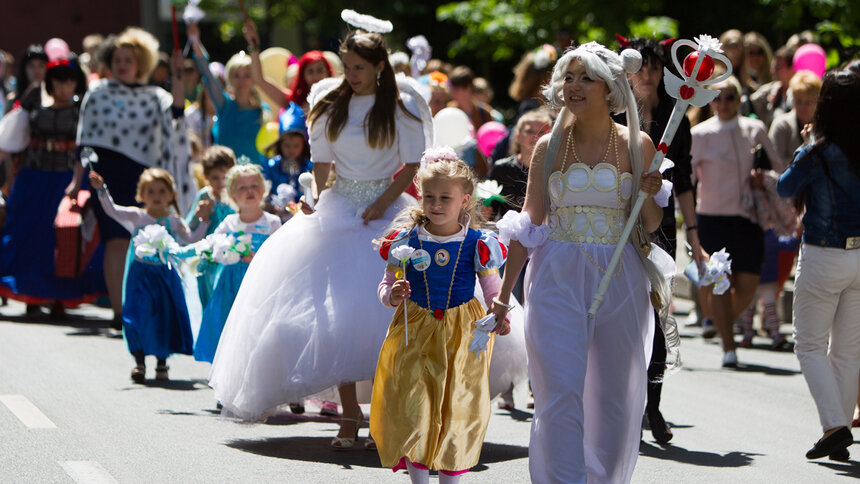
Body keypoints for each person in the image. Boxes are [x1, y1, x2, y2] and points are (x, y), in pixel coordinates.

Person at [208, 28, 432, 448]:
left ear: (379, 66)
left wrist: (382, 203)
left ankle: (392, 411)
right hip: (338, 207)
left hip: (387, 209)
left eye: (360, 68)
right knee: (336, 315)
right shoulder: (330, 104)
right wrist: (314, 198)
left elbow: (411, 165)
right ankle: (348, 414)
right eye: (347, 67)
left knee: (394, 313)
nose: (352, 75)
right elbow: (322, 164)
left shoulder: (400, 107)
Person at [491, 42, 671, 483]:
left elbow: (648, 223)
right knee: (559, 393)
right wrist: (500, 297)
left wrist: (649, 191)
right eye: (568, 78)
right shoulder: (549, 147)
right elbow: (528, 224)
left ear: (610, 88)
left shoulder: (638, 143)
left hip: (620, 277)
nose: (573, 87)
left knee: (612, 396)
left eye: (585, 78)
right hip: (556, 276)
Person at [371, 155, 509, 483]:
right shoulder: (405, 240)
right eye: (429, 196)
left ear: (464, 200)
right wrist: (392, 296)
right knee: (414, 404)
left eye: (445, 198)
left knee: (457, 406)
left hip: (461, 332)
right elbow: (385, 285)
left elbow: (493, 289)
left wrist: (499, 314)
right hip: (415, 330)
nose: (436, 204)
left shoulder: (478, 243)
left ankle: (450, 477)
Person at [77, 27, 191, 329]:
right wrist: (79, 180)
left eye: (128, 58)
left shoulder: (154, 96)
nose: (123, 63)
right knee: (115, 240)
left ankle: (145, 308)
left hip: (142, 178)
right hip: (107, 174)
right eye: (117, 58)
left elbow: (177, 112)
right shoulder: (97, 92)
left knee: (142, 241)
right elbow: (84, 140)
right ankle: (119, 312)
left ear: (140, 62)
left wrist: (178, 76)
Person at [619, 35, 700, 444]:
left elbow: (683, 178)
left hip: (659, 229)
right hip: (613, 226)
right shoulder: (613, 114)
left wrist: (696, 239)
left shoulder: (675, 115)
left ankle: (652, 405)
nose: (648, 75)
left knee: (657, 315)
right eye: (641, 68)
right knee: (620, 317)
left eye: (655, 68)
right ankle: (621, 404)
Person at [776, 68, 860, 462]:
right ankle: (838, 428)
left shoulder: (818, 150)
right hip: (859, 255)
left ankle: (835, 426)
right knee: (847, 350)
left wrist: (805, 145)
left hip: (824, 254)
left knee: (808, 344)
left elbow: (785, 187)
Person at [0, 55, 104, 315]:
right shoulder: (34, 98)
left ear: (75, 83)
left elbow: (85, 149)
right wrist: (11, 178)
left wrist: (76, 182)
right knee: (27, 235)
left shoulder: (83, 107)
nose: (63, 87)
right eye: (57, 81)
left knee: (61, 241)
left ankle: (59, 298)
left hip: (65, 180)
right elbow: (15, 137)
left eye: (68, 81)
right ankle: (30, 294)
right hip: (32, 177)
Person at [691, 76, 783, 367]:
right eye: (717, 98)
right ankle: (728, 347)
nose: (723, 103)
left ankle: (720, 323)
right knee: (720, 282)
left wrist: (763, 177)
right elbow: (688, 181)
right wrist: (687, 221)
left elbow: (777, 167)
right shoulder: (699, 134)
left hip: (748, 217)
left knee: (748, 285)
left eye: (730, 97)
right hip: (711, 218)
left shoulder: (754, 129)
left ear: (739, 99)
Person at [89, 168, 209, 382]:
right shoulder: (138, 216)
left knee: (164, 315)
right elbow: (112, 210)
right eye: (150, 191)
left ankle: (162, 361)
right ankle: (139, 362)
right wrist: (102, 190)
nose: (156, 196)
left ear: (171, 194)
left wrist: (204, 221)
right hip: (140, 276)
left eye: (162, 191)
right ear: (142, 195)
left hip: (165, 276)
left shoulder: (174, 222)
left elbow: (191, 239)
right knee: (137, 315)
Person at [194, 164, 281, 363]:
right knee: (229, 325)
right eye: (242, 187)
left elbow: (279, 253)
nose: (249, 191)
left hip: (260, 284)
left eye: (254, 186)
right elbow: (214, 246)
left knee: (256, 328)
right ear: (232, 196)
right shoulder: (229, 223)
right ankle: (229, 368)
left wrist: (258, 257)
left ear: (263, 190)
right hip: (231, 285)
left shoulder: (272, 222)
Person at [187, 22, 265, 165]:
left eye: (247, 75)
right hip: (224, 176)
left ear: (254, 79)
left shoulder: (263, 111)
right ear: (229, 78)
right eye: (236, 75)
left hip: (254, 178)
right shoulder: (224, 104)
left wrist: (254, 44)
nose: (241, 80)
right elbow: (208, 75)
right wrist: (195, 41)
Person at [186, 146, 236, 308]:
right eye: (216, 178)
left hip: (231, 254)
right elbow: (189, 227)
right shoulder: (204, 196)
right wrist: (201, 216)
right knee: (208, 298)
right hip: (208, 256)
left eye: (225, 177)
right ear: (206, 176)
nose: (221, 183)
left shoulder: (236, 195)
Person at [750, 45, 796, 129]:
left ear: (792, 68)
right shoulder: (768, 92)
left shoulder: (802, 94)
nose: (773, 71)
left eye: (778, 67)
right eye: (773, 66)